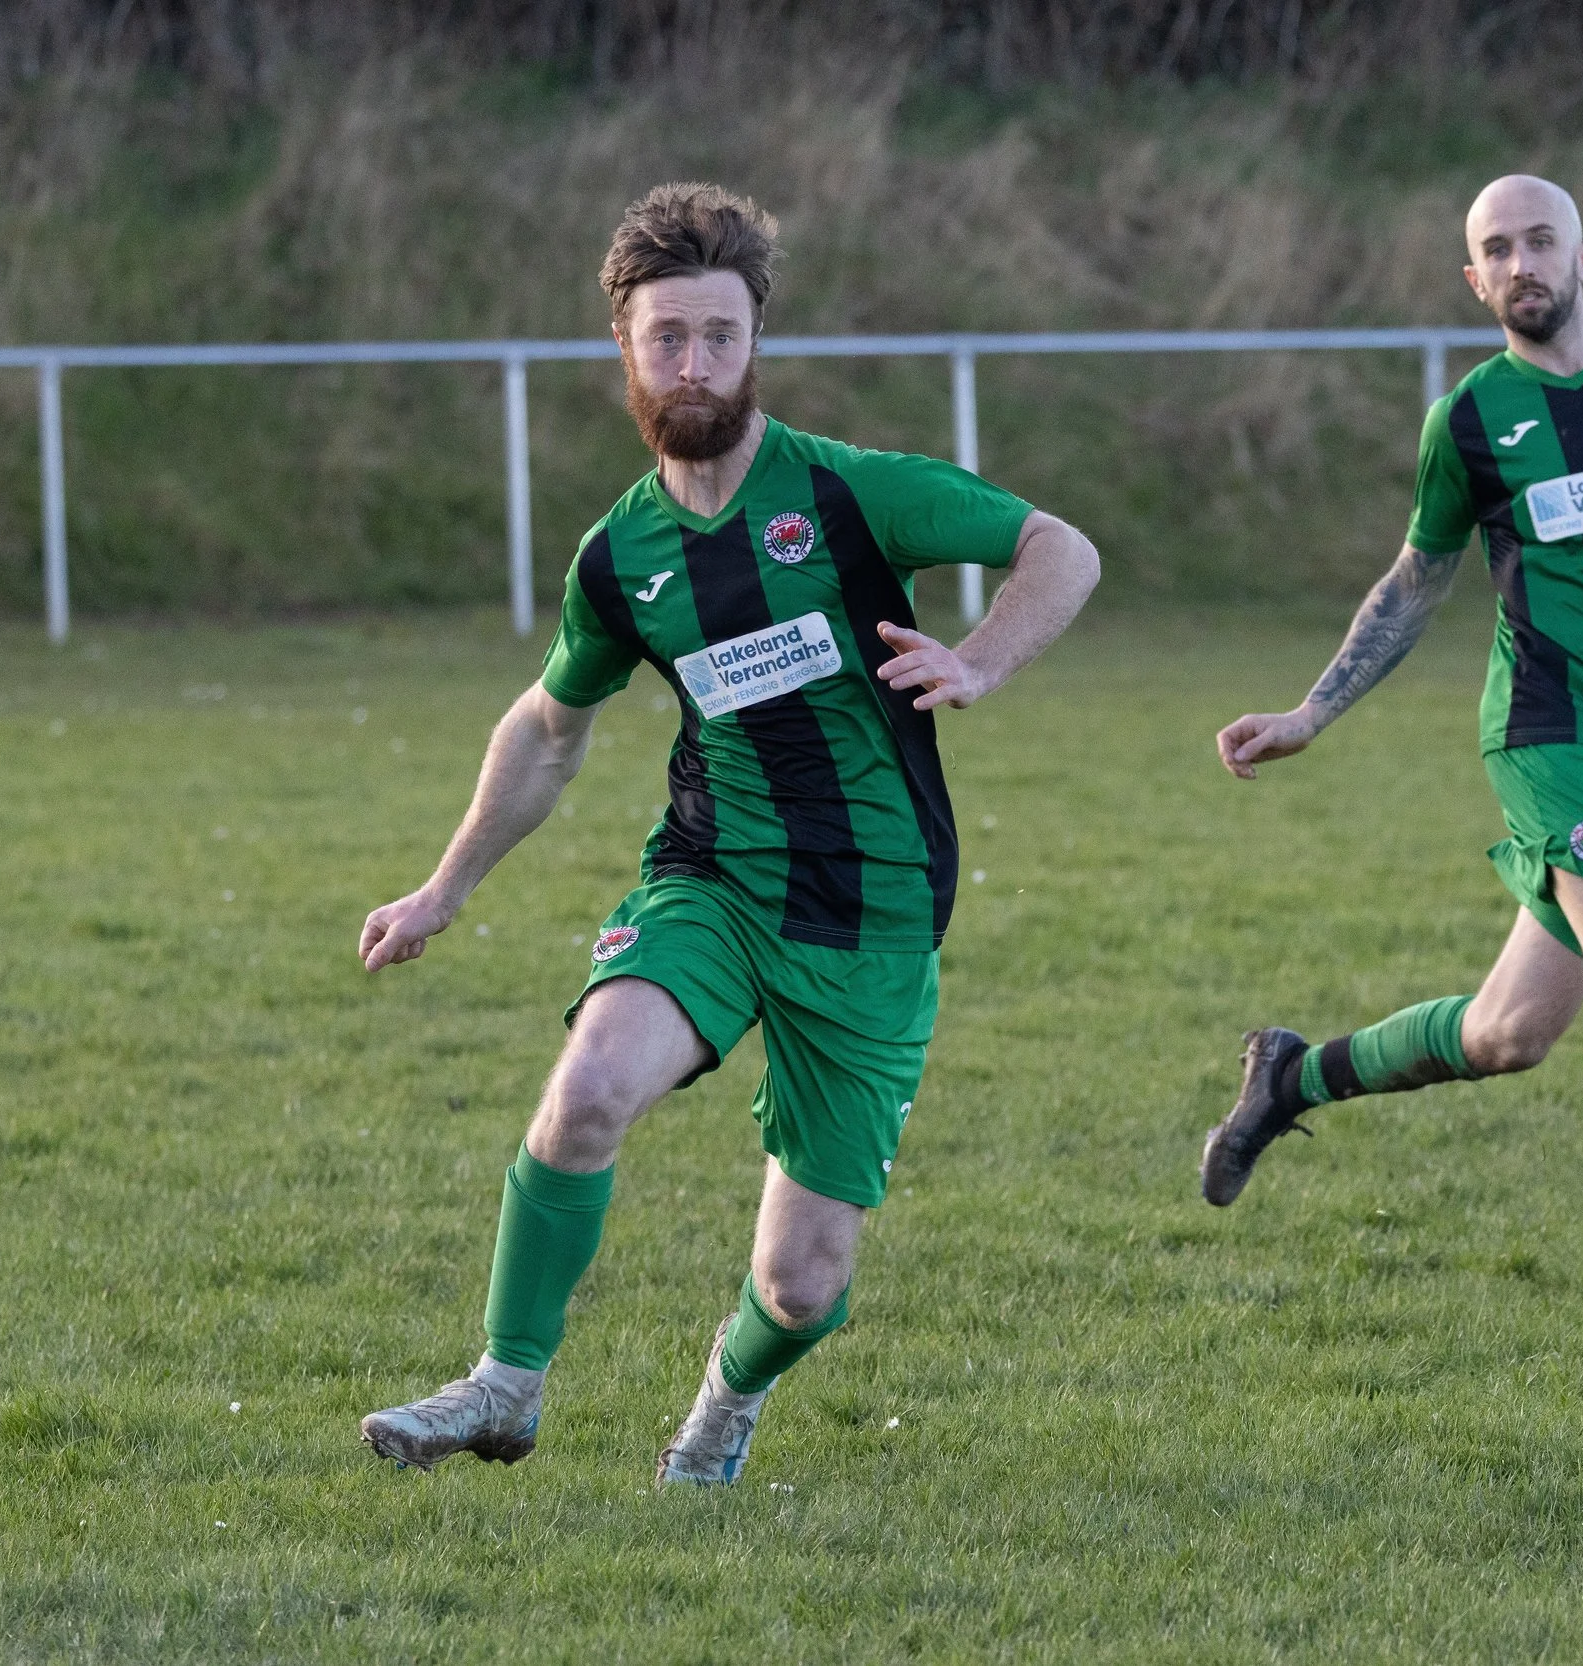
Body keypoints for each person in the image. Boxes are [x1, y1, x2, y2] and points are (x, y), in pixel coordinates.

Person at [356, 182, 1098, 1483]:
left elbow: (1060, 547)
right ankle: (502, 1384)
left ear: (757, 344)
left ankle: (725, 1403)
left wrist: (979, 659)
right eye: (666, 337)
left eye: (719, 335)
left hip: (871, 916)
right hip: (712, 879)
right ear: (626, 353)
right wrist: (443, 885)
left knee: (802, 1281)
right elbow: (547, 727)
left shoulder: (854, 495)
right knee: (585, 1093)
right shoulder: (622, 556)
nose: (693, 362)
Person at [1201, 174, 1583, 1307]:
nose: (1520, 263)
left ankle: (1292, 1076)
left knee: (1507, 1034)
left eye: (1541, 240)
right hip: (1543, 731)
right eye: (1496, 249)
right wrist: (1309, 711)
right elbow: (1415, 580)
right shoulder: (1470, 419)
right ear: (1473, 279)